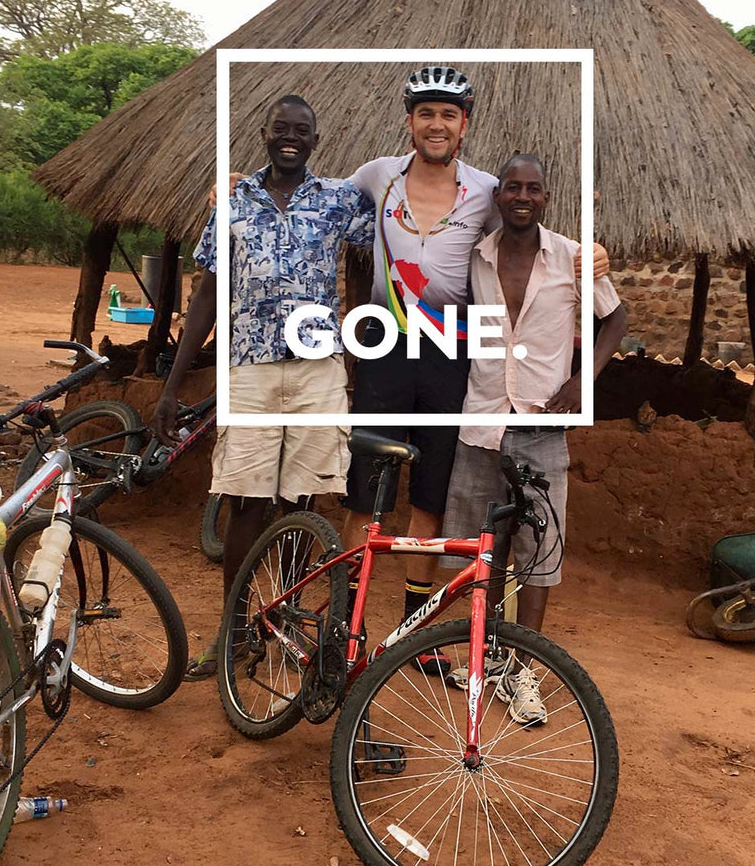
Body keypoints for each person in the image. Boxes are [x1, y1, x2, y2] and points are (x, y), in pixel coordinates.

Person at [339, 67, 611, 676]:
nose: (437, 124)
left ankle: (415, 630)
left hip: (450, 357)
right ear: (409, 120)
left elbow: (523, 239)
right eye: (426, 113)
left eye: (449, 115)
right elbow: (311, 198)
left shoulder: (488, 192)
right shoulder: (375, 177)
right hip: (385, 349)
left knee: (430, 494)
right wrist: (233, 186)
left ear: (465, 125)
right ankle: (343, 619)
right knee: (366, 488)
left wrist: (588, 253)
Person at [151, 94, 374, 680]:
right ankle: (237, 629)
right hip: (247, 370)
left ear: (316, 141)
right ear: (265, 134)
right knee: (247, 500)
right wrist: (173, 383)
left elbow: (391, 244)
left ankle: (285, 617)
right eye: (282, 129)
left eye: (302, 130)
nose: (291, 138)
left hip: (317, 369)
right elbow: (205, 295)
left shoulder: (339, 201)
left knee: (301, 498)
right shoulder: (232, 204)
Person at [439, 152, 627, 724]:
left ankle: (523, 674)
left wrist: (581, 381)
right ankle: (487, 657)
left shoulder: (573, 258)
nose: (522, 196)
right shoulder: (474, 256)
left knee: (540, 554)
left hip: (543, 426)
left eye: (534, 189)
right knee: (483, 550)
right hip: (481, 423)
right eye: (512, 188)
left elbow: (616, 319)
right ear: (498, 197)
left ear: (546, 198)